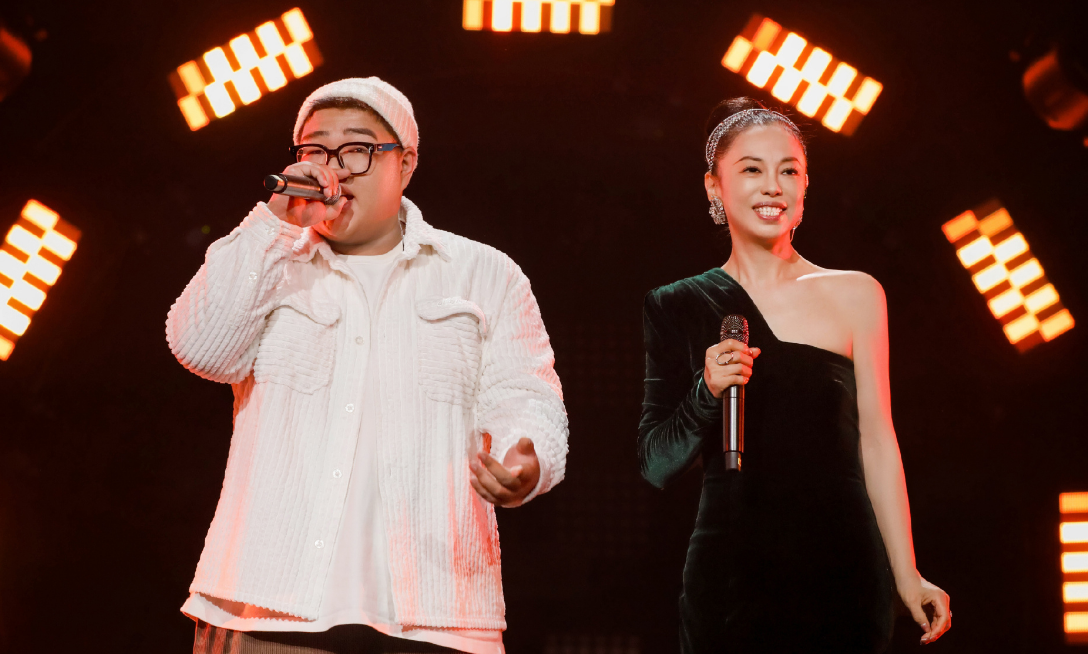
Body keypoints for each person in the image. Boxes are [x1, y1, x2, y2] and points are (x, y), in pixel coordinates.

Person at [166, 77, 568, 654]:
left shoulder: (483, 273)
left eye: (356, 149)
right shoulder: (272, 259)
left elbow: (525, 394)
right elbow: (202, 350)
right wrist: (273, 225)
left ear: (405, 163)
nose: (334, 169)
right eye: (315, 150)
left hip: (438, 615)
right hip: (266, 606)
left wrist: (526, 458)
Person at [638, 97, 951, 653]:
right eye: (751, 170)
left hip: (841, 570)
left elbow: (878, 441)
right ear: (714, 187)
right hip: (730, 578)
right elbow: (655, 462)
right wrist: (706, 391)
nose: (772, 187)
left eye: (788, 171)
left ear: (806, 185)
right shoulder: (677, 304)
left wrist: (907, 574)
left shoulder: (857, 294)